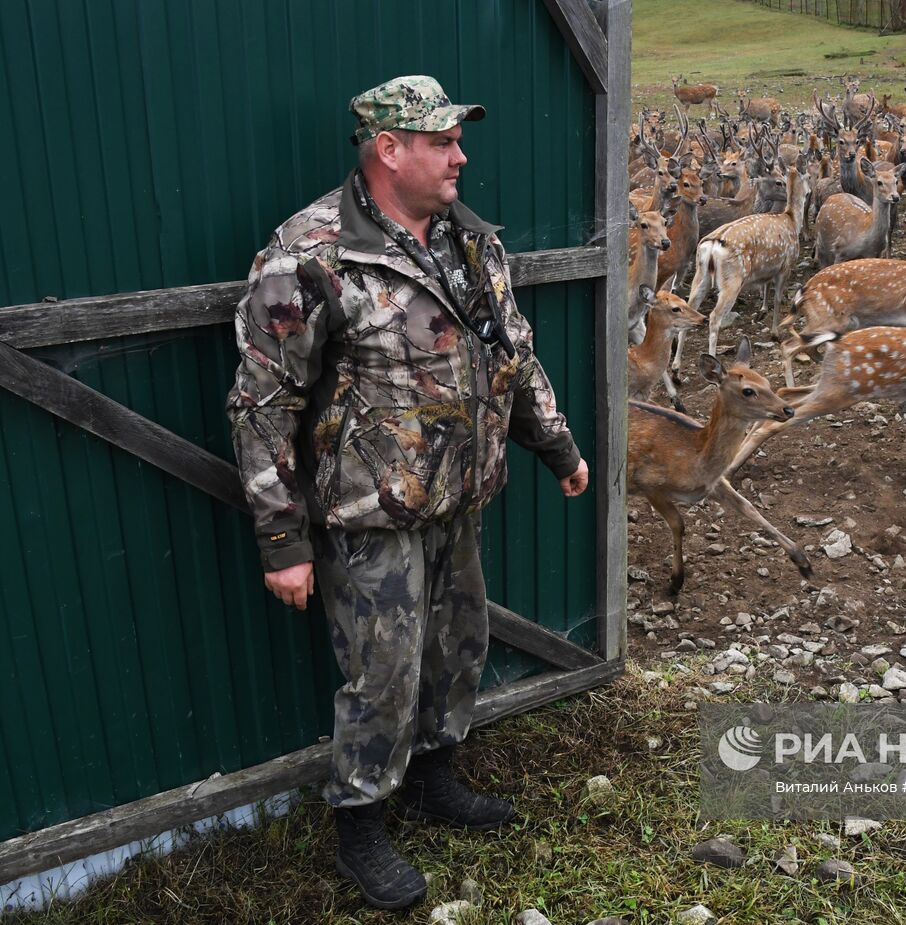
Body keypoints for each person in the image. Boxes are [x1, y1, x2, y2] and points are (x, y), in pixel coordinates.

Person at [226, 75, 589, 910]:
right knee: (380, 675)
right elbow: (261, 402)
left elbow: (514, 354)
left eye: (459, 140)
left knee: (458, 647)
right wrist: (282, 539)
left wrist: (556, 445)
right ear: (389, 149)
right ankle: (360, 824)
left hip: (459, 496)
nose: (461, 157)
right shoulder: (311, 253)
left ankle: (435, 780)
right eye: (443, 142)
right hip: (369, 515)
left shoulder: (470, 243)